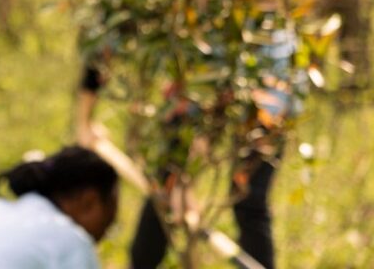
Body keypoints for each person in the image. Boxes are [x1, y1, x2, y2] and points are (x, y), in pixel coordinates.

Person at [76, 47, 287, 269]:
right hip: (194, 95)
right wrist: (84, 123)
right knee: (163, 190)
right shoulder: (187, 34)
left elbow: (217, 93)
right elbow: (104, 47)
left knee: (249, 201)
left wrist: (184, 180)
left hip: (264, 101)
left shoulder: (269, 46)